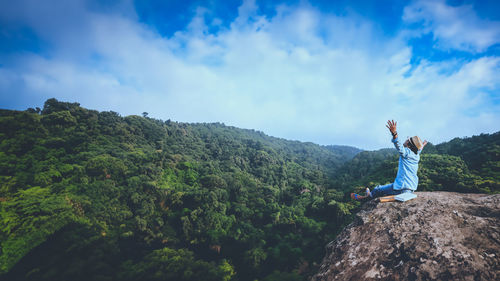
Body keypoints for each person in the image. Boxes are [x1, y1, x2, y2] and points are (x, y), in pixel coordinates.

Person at [351, 120, 428, 200]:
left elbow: (399, 147)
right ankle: (369, 194)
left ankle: (366, 197)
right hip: (410, 188)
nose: (405, 140)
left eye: (407, 140)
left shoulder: (407, 153)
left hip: (401, 188)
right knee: (382, 187)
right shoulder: (416, 155)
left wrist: (394, 133)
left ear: (408, 145)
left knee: (378, 189)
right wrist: (422, 145)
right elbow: (419, 149)